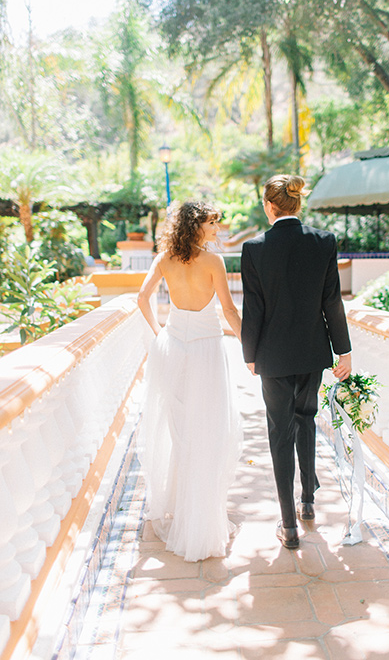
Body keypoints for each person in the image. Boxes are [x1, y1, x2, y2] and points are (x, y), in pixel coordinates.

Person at [241, 175, 351, 550]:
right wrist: (344, 351)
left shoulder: (254, 248)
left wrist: (250, 354)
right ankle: (308, 501)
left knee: (279, 432)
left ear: (270, 206)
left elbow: (253, 307)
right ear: (296, 204)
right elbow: (331, 300)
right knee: (307, 419)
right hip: (312, 352)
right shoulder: (323, 241)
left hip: (272, 356)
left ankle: (288, 525)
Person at [137, 201, 242, 562]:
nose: (217, 229)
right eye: (213, 223)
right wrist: (250, 347)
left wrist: (157, 334)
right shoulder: (213, 261)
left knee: (180, 430)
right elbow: (228, 310)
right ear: (197, 226)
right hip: (207, 350)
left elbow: (142, 298)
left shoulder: (165, 257)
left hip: (173, 347)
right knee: (209, 431)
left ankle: (183, 509)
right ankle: (200, 516)